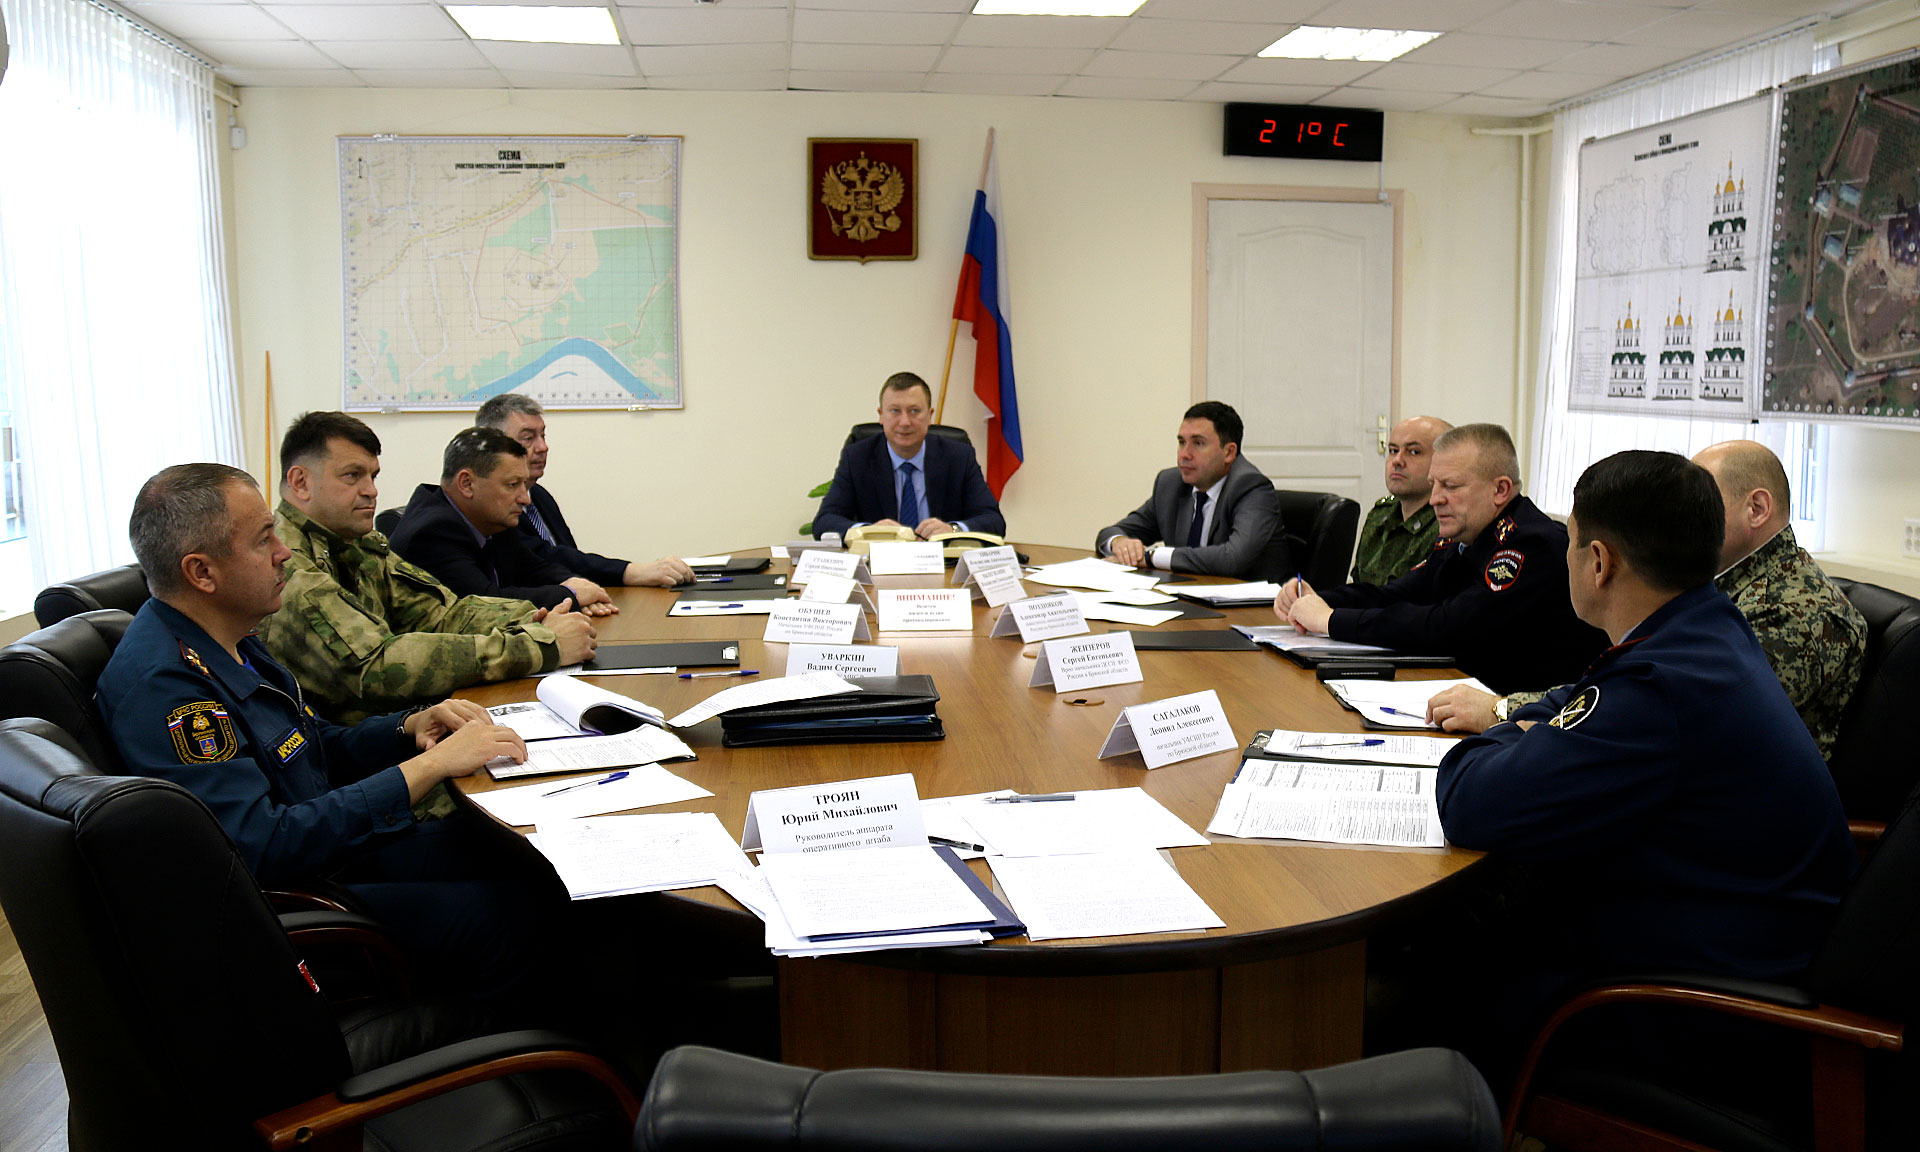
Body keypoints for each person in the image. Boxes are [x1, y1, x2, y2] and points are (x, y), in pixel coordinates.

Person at [97, 463, 565, 1005]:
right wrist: (429, 766)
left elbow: (310, 746)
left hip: (333, 850)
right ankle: (520, 1048)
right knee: (518, 915)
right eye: (263, 539)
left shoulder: (229, 636)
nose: (284, 553)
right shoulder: (173, 690)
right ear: (202, 572)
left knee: (528, 857)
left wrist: (408, 727)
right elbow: (262, 846)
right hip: (300, 905)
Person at [1426, 440, 1866, 756]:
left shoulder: (1798, 613)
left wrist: (1504, 713)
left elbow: (1651, 709)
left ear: (1757, 509)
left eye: (1704, 497)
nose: (1685, 509)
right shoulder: (1718, 584)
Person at [260, 411, 598, 725]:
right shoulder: (288, 565)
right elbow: (376, 668)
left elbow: (441, 614)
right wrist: (539, 645)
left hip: (401, 727)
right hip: (353, 752)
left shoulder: (353, 543)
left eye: (373, 476)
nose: (371, 491)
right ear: (301, 482)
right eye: (352, 476)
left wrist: (533, 618)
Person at [1275, 423, 1606, 694]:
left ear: (1500, 490)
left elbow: (1448, 627)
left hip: (1526, 718)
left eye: (1450, 486)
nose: (1435, 499)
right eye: (1434, 484)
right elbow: (1399, 593)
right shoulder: (1467, 533)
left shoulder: (1529, 545)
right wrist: (1318, 598)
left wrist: (1331, 620)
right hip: (1467, 690)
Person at [475, 392, 694, 588]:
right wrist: (632, 572)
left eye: (543, 435)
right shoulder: (493, 506)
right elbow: (543, 558)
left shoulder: (539, 495)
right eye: (528, 438)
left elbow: (570, 556)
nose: (543, 447)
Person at [389, 428, 616, 614]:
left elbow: (533, 568)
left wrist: (574, 582)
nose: (525, 499)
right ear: (467, 484)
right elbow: (484, 603)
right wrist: (570, 595)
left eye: (524, 484)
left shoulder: (491, 518)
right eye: (512, 485)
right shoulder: (432, 533)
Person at [1094, 400, 1283, 578]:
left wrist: (1151, 557)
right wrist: (1120, 543)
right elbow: (1111, 532)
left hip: (1256, 600)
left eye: (1198, 443)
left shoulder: (1252, 488)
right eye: (1182, 442)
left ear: (1229, 452)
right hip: (1189, 593)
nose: (1184, 454)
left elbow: (1232, 558)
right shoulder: (1170, 484)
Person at [812, 372, 1006, 540]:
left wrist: (953, 530)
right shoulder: (857, 458)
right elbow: (824, 522)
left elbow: (993, 521)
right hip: (879, 565)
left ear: (929, 415)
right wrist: (868, 531)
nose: (904, 422)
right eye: (895, 411)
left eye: (914, 411)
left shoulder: (958, 457)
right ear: (881, 415)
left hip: (943, 565)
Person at [1351, 415, 1451, 585]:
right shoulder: (1380, 514)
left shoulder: (1447, 523)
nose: (1397, 461)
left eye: (1414, 452)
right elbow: (1359, 585)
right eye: (1393, 450)